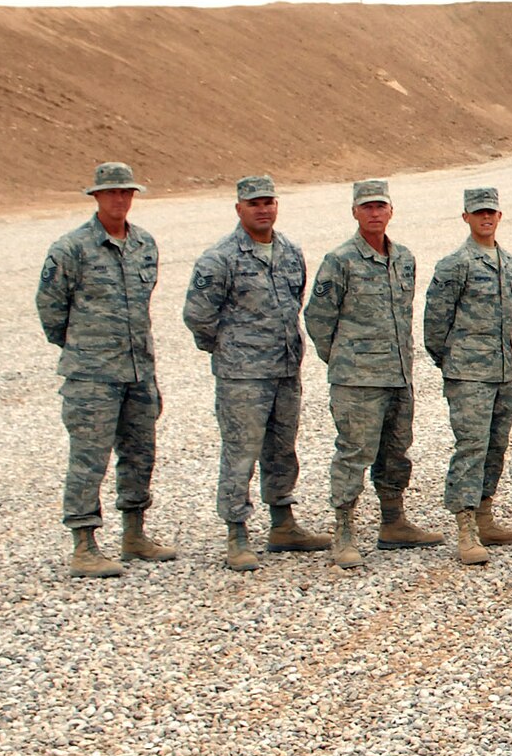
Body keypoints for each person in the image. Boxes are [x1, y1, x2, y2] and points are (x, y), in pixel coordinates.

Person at [35, 162, 166, 578]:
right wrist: (83, 349)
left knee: (140, 454)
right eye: (111, 193)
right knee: (89, 459)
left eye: (126, 193)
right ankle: (84, 542)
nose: (120, 200)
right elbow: (51, 309)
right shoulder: (70, 249)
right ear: (96, 197)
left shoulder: (144, 243)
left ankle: (134, 534)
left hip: (138, 370)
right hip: (92, 375)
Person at [183, 174, 320, 572]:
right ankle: (237, 532)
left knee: (282, 449)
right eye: (254, 203)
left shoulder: (290, 252)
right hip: (242, 375)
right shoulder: (220, 257)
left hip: (284, 368)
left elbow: (295, 301)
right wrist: (229, 350)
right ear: (239, 208)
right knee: (241, 452)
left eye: (268, 202)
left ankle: (282, 523)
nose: (263, 209)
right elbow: (197, 315)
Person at [304, 179, 435, 568]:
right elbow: (318, 318)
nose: (374, 213)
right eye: (367, 207)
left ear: (391, 211)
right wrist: (344, 361)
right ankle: (343, 531)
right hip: (357, 379)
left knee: (396, 451)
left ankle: (393, 522)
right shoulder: (340, 260)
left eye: (380, 206)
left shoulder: (405, 258)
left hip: (398, 375)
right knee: (354, 453)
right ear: (355, 213)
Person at [424, 186, 512, 568]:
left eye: (492, 212)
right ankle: (465, 527)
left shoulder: (509, 263)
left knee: (495, 445)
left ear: (499, 217)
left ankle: (486, 517)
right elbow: (434, 324)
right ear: (466, 217)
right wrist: (453, 363)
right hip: (468, 372)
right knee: (471, 446)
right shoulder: (454, 264)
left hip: (502, 371)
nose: (486, 218)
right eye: (479, 213)